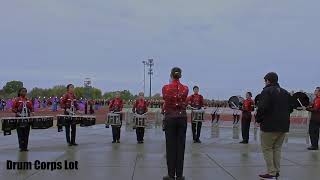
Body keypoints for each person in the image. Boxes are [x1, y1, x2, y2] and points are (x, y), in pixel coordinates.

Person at [256, 72, 293, 179]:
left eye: (265, 80)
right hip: (283, 126)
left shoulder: (266, 91)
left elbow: (262, 107)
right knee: (277, 149)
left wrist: (258, 119)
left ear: (268, 80)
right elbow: (290, 108)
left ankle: (271, 172)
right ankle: (276, 171)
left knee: (267, 149)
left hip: (269, 126)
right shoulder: (285, 92)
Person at [162, 67, 189, 180]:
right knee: (180, 147)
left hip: (170, 119)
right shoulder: (186, 88)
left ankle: (171, 174)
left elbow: (166, 99)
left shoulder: (166, 88)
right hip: (182, 118)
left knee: (170, 147)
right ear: (180, 75)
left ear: (171, 75)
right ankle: (179, 175)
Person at [12, 88, 34, 152]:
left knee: (26, 134)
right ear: (19, 92)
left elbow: (31, 107)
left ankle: (25, 147)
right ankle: (21, 147)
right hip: (19, 119)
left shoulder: (28, 100)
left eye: (25, 91)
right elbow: (13, 108)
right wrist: (17, 112)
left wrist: (32, 112)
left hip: (27, 119)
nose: (24, 92)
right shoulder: (16, 100)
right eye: (23, 91)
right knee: (20, 134)